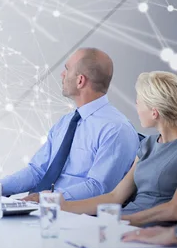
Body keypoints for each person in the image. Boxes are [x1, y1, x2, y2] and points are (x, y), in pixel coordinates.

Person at [0, 48, 139, 201]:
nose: (62, 74)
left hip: (76, 216)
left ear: (80, 80)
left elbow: (99, 188)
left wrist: (45, 200)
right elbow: (37, 171)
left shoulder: (116, 129)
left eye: (67, 69)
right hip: (45, 209)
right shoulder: (65, 122)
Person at [56, 71, 177, 227]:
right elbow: (115, 196)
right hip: (123, 221)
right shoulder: (148, 144)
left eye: (138, 102)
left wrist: (122, 220)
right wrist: (64, 206)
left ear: (154, 112)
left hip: (148, 227)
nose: (136, 106)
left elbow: (173, 210)